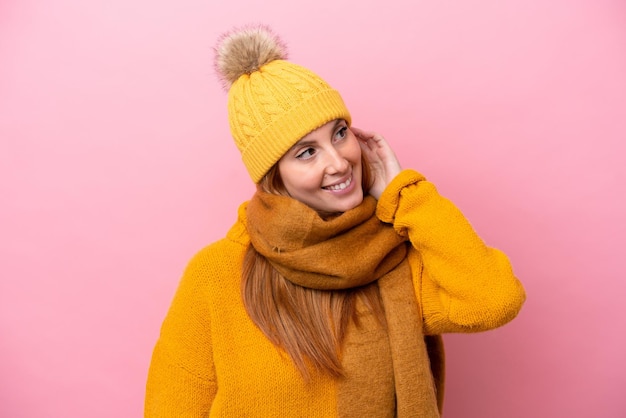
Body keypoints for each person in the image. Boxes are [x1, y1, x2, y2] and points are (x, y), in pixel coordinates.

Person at [145, 24, 526, 418]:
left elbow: (494, 299)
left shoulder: (390, 258)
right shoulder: (216, 275)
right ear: (274, 175)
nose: (339, 160)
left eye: (340, 133)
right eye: (307, 153)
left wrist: (404, 192)